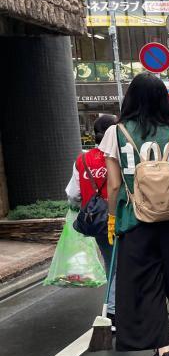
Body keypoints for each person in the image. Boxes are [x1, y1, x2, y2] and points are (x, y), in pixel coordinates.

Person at [100, 73, 169, 356]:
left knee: (147, 283)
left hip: (135, 220)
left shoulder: (115, 133)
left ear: (131, 99)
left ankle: (163, 353)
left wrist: (112, 217)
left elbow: (114, 185)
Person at [65, 114, 118, 329]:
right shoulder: (116, 157)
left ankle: (116, 308)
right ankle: (114, 312)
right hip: (117, 218)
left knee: (111, 263)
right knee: (119, 266)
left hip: (95, 220)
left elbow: (73, 194)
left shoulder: (82, 160)